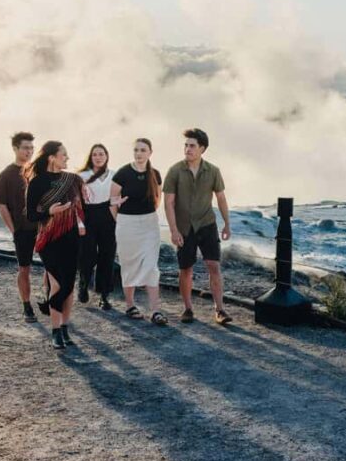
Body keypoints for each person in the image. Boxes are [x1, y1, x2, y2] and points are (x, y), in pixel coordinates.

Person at [163, 128, 232, 325]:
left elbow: (221, 198)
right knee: (186, 269)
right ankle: (187, 309)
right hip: (184, 227)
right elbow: (168, 203)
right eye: (186, 145)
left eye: (192, 145)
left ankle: (219, 310)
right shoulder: (175, 171)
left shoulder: (213, 171)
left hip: (206, 223)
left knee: (214, 266)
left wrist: (227, 223)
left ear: (202, 148)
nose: (187, 149)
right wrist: (174, 230)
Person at [25, 141, 86, 349]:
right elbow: (32, 215)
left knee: (68, 287)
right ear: (51, 157)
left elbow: (82, 208)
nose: (67, 159)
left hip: (71, 238)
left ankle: (65, 327)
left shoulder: (73, 180)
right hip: (48, 240)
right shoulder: (37, 183)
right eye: (64, 155)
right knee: (58, 284)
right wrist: (50, 212)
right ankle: (55, 331)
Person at [110, 138, 167, 326]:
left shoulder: (155, 174)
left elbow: (157, 200)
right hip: (127, 223)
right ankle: (130, 305)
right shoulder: (123, 173)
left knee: (151, 266)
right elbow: (113, 201)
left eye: (143, 150)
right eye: (136, 150)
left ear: (150, 152)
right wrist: (122, 221)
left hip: (149, 223)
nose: (139, 153)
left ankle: (156, 311)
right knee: (129, 263)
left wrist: (145, 216)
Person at [0, 132, 39, 323]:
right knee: (24, 268)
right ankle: (27, 306)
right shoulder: (6, 175)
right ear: (15, 149)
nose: (29, 151)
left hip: (43, 227)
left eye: (31, 148)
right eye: (25, 148)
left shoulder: (38, 171)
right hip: (22, 229)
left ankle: (50, 302)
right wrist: (13, 230)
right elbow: (2, 205)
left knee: (52, 267)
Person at [77, 144, 117, 310]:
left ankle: (104, 295)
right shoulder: (82, 175)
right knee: (88, 255)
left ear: (107, 156)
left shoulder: (115, 175)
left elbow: (117, 198)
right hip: (89, 215)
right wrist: (79, 222)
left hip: (108, 216)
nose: (98, 157)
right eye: (95, 154)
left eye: (101, 154)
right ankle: (84, 284)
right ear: (90, 157)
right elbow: (77, 202)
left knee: (107, 256)